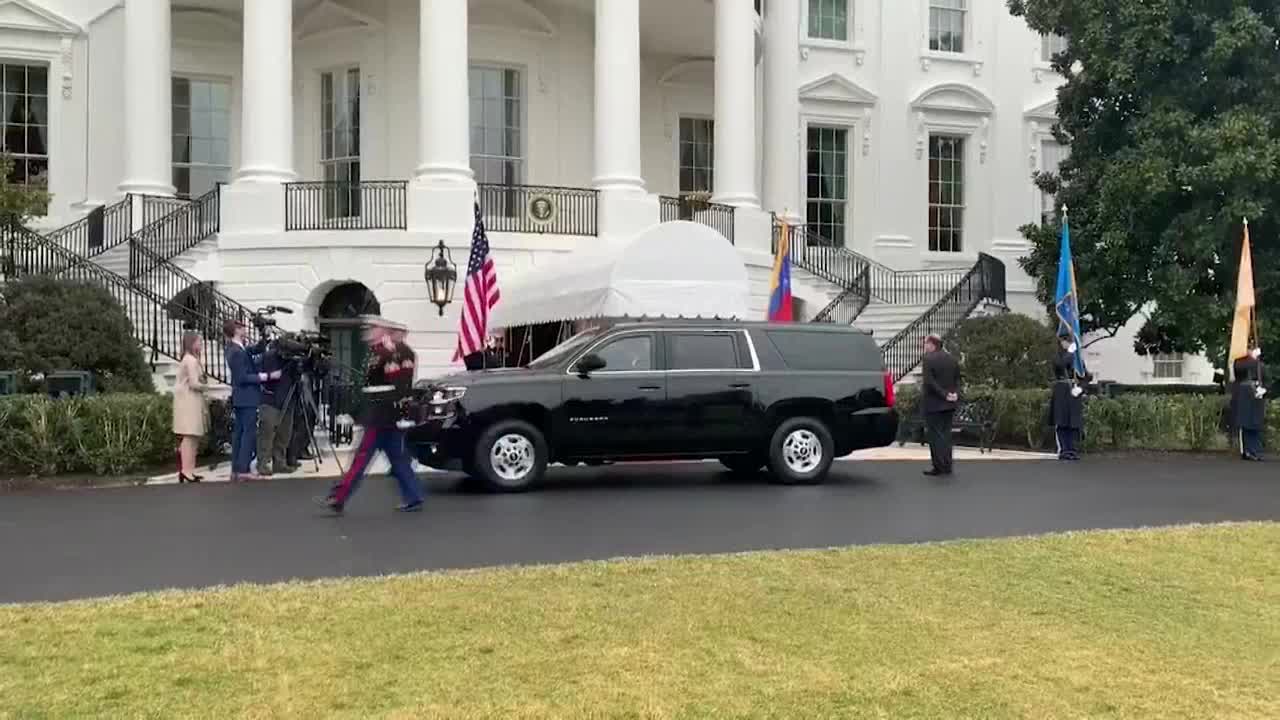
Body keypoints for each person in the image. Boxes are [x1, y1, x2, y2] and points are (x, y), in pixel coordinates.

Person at [316, 317, 424, 514]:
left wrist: (402, 413)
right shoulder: (376, 352)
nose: (368, 332)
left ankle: (338, 497)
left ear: (384, 331)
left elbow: (400, 386)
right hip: (378, 414)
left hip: (382, 415)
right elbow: (368, 385)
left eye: (373, 328)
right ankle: (413, 496)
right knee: (397, 459)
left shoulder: (393, 353)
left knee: (362, 459)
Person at [224, 319, 278, 482]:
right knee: (247, 434)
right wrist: (266, 376)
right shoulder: (235, 351)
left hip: (243, 398)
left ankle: (237, 468)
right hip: (246, 397)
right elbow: (242, 378)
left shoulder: (239, 349)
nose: (245, 329)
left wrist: (264, 337)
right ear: (235, 331)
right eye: (241, 327)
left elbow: (256, 349)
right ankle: (243, 469)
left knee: (240, 433)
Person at [920, 333, 961, 477]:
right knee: (946, 435)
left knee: (934, 436)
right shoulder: (952, 358)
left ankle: (938, 466)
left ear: (932, 344)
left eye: (925, 344)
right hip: (950, 404)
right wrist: (954, 394)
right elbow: (957, 379)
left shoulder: (928, 359)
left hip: (934, 404)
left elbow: (929, 382)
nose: (924, 347)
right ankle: (947, 465)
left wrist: (944, 394)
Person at [256, 343, 298, 477]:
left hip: (288, 398)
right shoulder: (269, 357)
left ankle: (279, 463)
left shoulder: (295, 359)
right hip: (270, 399)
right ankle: (262, 463)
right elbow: (262, 375)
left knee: (284, 433)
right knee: (267, 432)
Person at [172, 332, 209, 483]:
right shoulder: (190, 361)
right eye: (199, 342)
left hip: (190, 400)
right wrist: (206, 387)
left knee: (193, 436)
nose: (201, 345)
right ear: (191, 343)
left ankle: (189, 470)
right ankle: (186, 470)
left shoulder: (191, 360)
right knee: (189, 435)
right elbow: (194, 383)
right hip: (189, 401)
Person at [1048, 336, 1088, 461]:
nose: (1068, 343)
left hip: (1073, 392)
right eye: (1066, 341)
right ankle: (1064, 450)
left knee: (1073, 423)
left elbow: (1086, 376)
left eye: (1070, 341)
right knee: (1062, 422)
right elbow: (1060, 365)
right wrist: (1070, 353)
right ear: (1061, 342)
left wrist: (1081, 388)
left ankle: (1072, 450)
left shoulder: (1077, 360)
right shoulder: (1057, 357)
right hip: (1061, 391)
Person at [1229, 347, 1267, 461]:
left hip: (1256, 393)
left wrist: (1263, 389)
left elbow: (1264, 374)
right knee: (1246, 424)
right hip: (1245, 393)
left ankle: (1254, 450)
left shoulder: (1258, 364)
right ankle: (1248, 451)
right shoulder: (1241, 362)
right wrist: (1254, 359)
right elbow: (1238, 369)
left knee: (1255, 424)